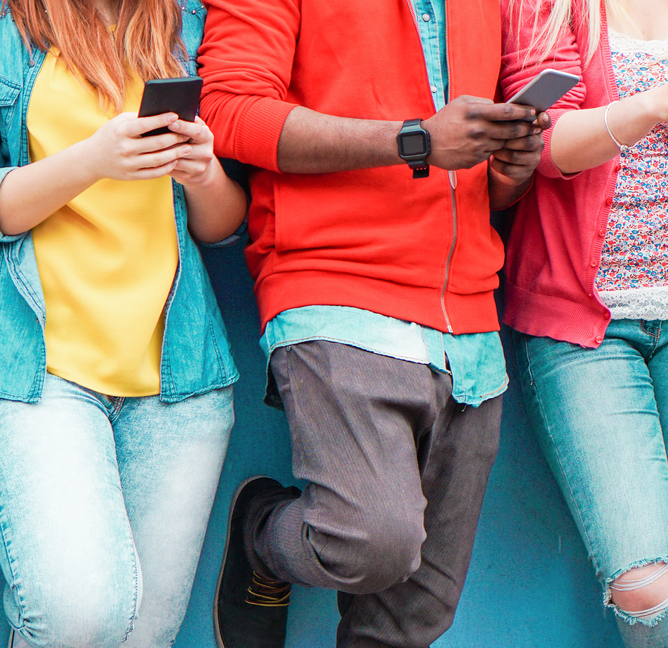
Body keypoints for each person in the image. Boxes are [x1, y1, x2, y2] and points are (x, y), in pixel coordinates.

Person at [195, 0, 548, 646]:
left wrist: (512, 171)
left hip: (468, 323)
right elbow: (228, 113)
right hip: (337, 292)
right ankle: (263, 535)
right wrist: (412, 140)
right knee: (368, 540)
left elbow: (471, 181)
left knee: (415, 617)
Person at [0, 0, 246, 645]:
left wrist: (205, 172)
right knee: (76, 618)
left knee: (141, 639)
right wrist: (91, 160)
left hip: (180, 380)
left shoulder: (190, 27)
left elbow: (223, 227)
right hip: (32, 371)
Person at [497, 0, 668, 644]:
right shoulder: (546, 8)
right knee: (647, 585)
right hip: (580, 328)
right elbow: (547, 145)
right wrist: (657, 102)